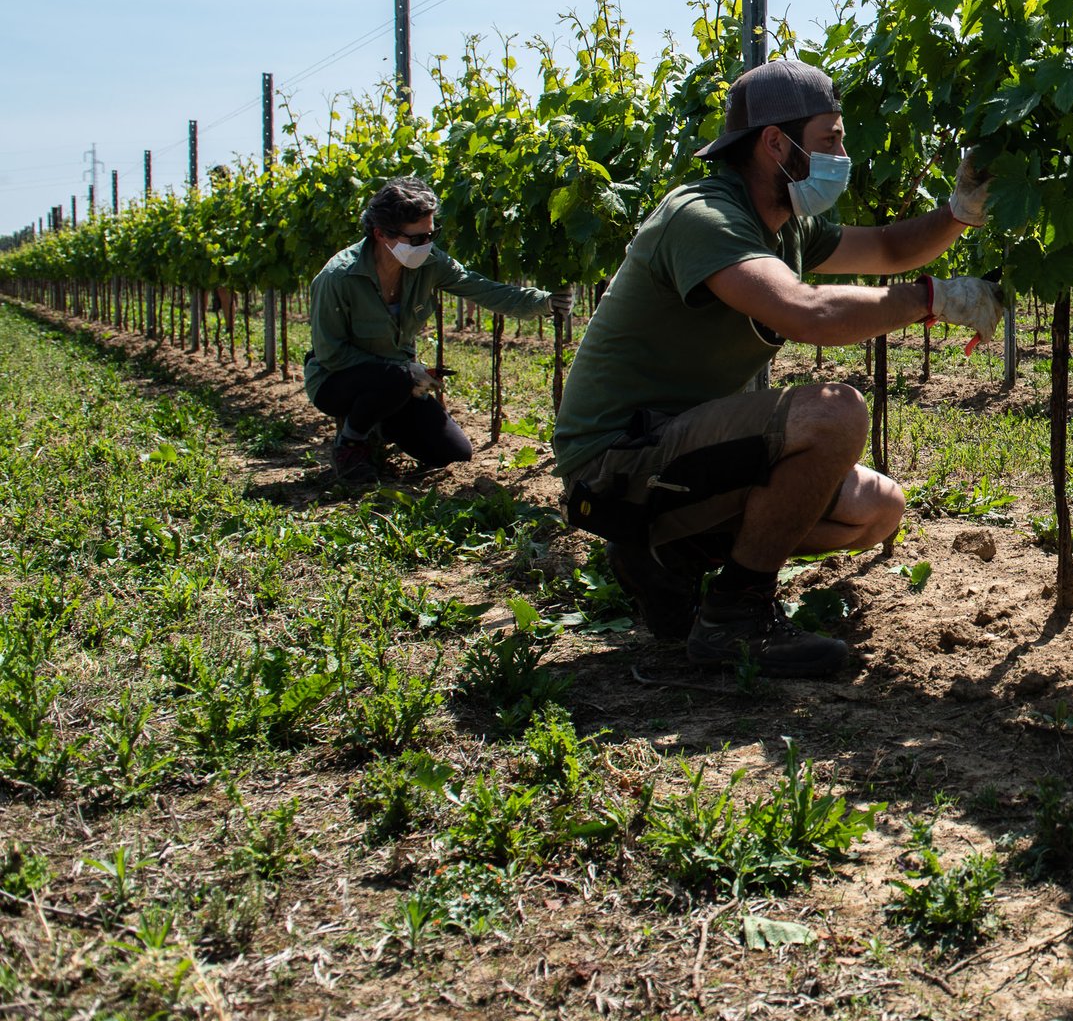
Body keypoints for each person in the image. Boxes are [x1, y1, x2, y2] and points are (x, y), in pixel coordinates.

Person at [553, 59, 1004, 680]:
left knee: (878, 508)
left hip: (678, 452)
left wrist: (961, 210)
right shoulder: (703, 215)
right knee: (834, 413)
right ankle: (736, 617)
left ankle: (669, 559)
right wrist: (931, 299)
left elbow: (890, 248)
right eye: (830, 139)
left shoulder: (787, 224)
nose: (842, 154)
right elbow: (805, 312)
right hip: (614, 460)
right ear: (774, 143)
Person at [305, 176, 556, 488]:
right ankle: (351, 445)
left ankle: (380, 424)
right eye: (417, 239)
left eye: (431, 234)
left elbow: (481, 289)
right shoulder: (338, 277)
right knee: (395, 379)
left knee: (452, 452)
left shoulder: (430, 262)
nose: (426, 245)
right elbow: (331, 354)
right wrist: (402, 371)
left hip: (398, 382)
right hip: (337, 381)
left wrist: (544, 303)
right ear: (381, 234)